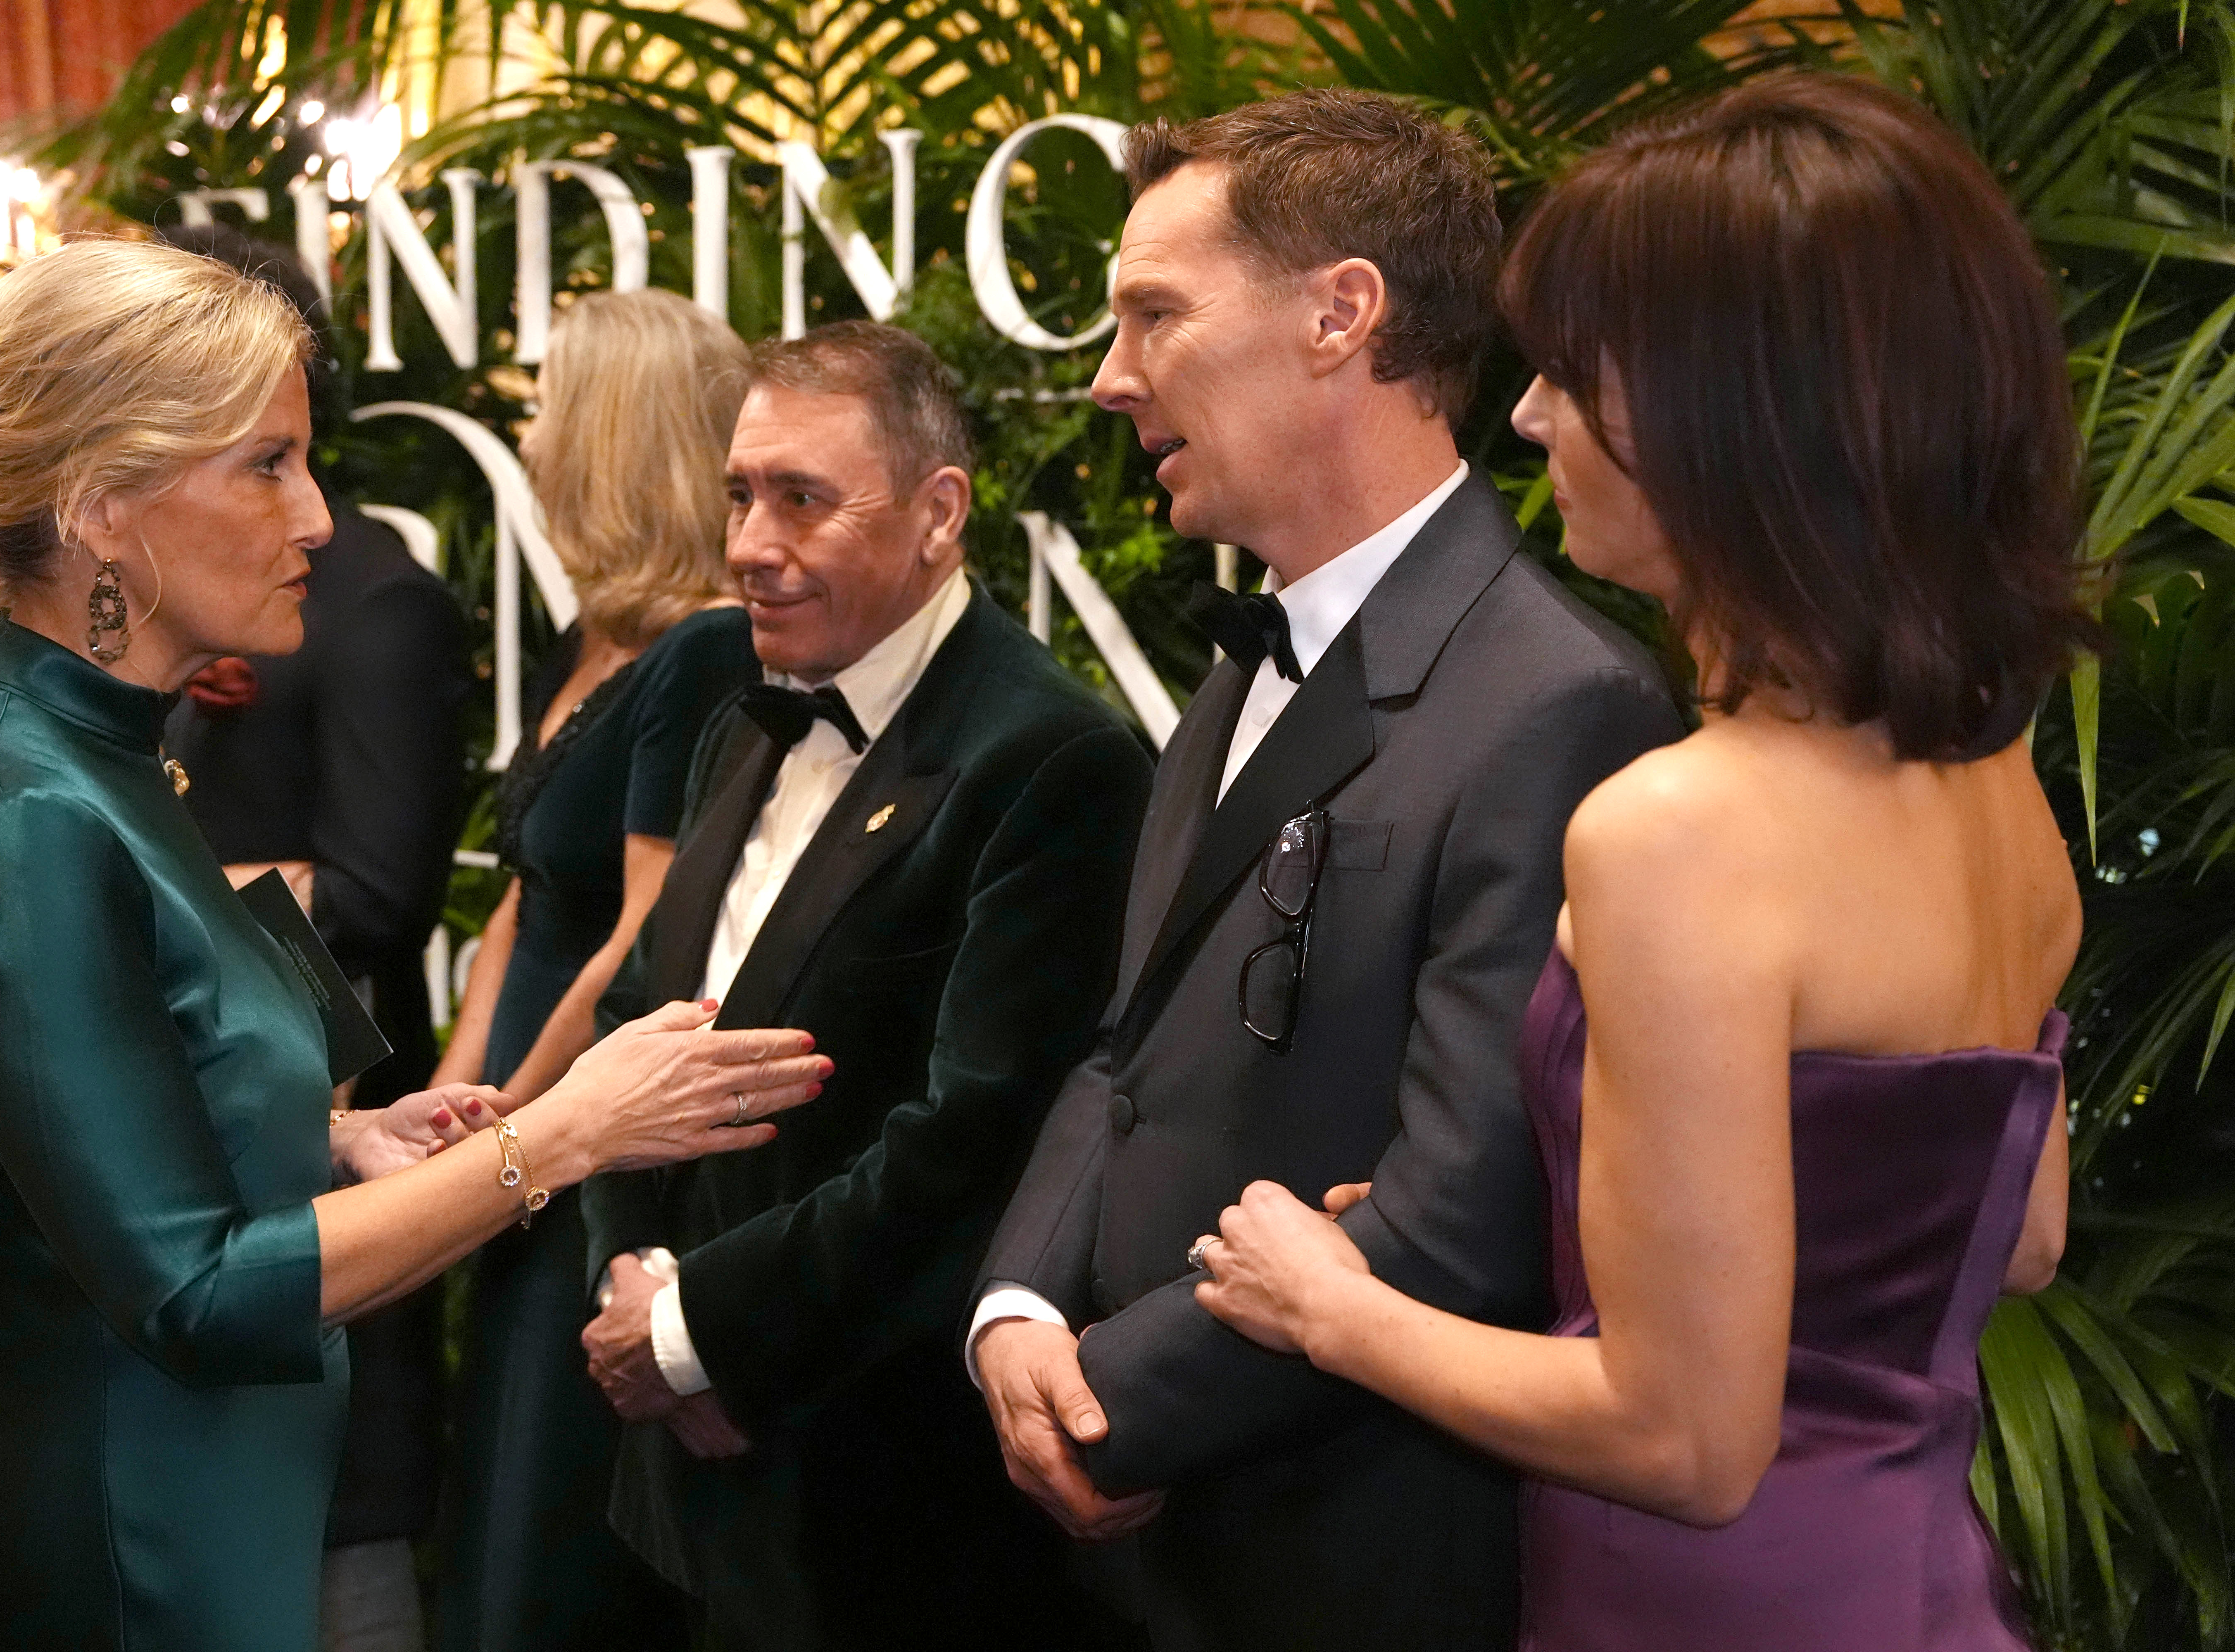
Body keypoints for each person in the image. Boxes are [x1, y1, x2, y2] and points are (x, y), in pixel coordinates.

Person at [1187, 76, 2087, 1651]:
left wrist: (1333, 1307)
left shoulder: (1683, 828)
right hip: (1918, 1578)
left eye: (1573, 377)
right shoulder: (1995, 767)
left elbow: (1681, 1441)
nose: (1526, 419)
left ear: (1733, 416)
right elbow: (2010, 1239)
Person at [0, 237, 828, 1652]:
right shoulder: (30, 809)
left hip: (209, 1520)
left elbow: (115, 1124)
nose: (316, 517)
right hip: (133, 1560)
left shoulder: (109, 750)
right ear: (104, 509)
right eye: (268, 466)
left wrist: (332, 1145)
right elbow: (190, 1288)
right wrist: (558, 1136)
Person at [969, 90, 1683, 1651]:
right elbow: (1128, 1051)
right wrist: (1016, 1309)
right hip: (1158, 1560)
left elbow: (1467, 1207)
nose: (1110, 381)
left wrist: (1106, 1400)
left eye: (1155, 314)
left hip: (1359, 1550)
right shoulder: (1241, 672)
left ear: (1340, 315)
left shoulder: (1565, 702)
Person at [573, 320, 1154, 1651]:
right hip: (688, 1482)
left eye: (802, 500)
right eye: (739, 495)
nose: (750, 544)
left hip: (885, 1500)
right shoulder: (743, 709)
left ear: (940, 514)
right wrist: (632, 1284)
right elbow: (631, 1029)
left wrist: (703, 1333)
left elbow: (973, 1142)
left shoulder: (1052, 760)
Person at [154, 223, 473, 1651]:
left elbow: (381, 888)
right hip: (178, 1188)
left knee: (342, 1553)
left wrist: (164, 911)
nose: (305, 511)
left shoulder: (377, 598)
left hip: (320, 1122)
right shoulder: (93, 655)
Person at [433, 287, 761, 1652]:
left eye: (551, 400)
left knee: (548, 1529)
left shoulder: (698, 646)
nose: (531, 427)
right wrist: (458, 1097)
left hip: (580, 1138)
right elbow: (525, 894)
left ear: (613, 434)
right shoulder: (600, 640)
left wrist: (525, 1119)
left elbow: (639, 935)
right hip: (517, 1116)